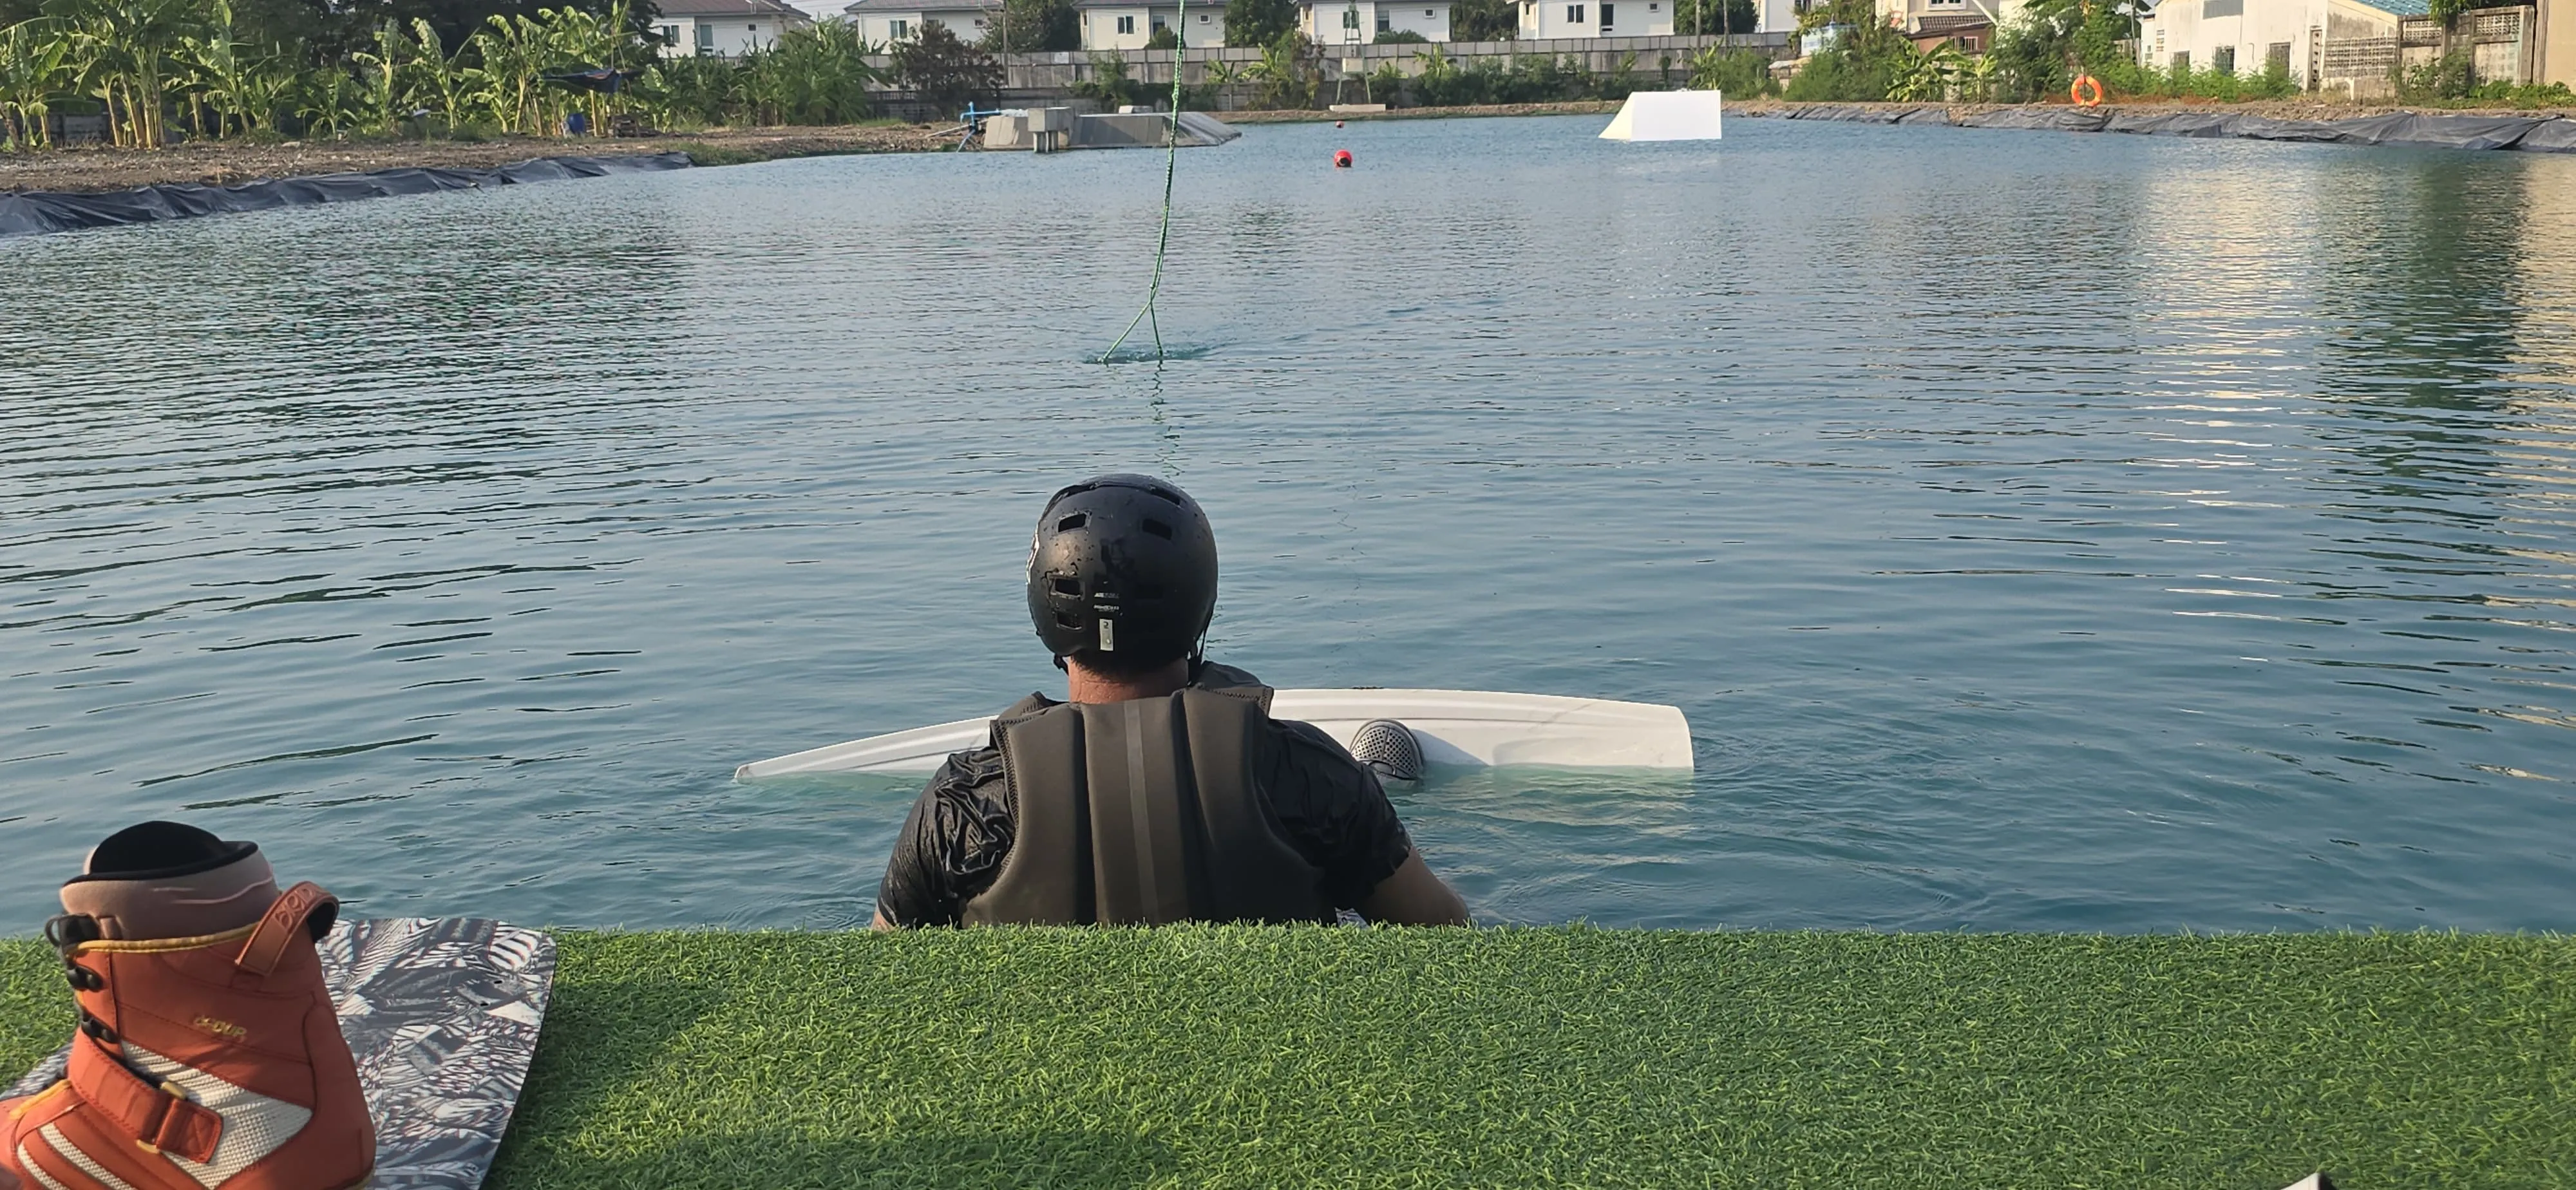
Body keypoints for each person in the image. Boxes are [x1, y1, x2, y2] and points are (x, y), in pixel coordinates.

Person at [872, 474, 1470, 929]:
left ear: (1045, 614)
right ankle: (1389, 790)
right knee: (1369, 822)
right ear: (1199, 608)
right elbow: (1448, 934)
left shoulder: (964, 803)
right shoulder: (1303, 772)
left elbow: (876, 980)